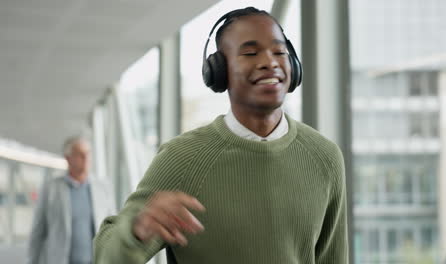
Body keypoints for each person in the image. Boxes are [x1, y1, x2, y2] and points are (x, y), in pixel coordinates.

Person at [94, 7, 348, 264]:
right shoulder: (183, 158)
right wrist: (136, 229)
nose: (270, 62)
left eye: (279, 52)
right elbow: (105, 256)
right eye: (250, 53)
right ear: (219, 71)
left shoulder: (324, 157)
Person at [28, 136, 115, 264]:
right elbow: (38, 232)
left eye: (88, 154)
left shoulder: (103, 188)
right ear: (68, 158)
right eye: (80, 154)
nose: (86, 158)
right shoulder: (51, 189)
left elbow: (113, 229)